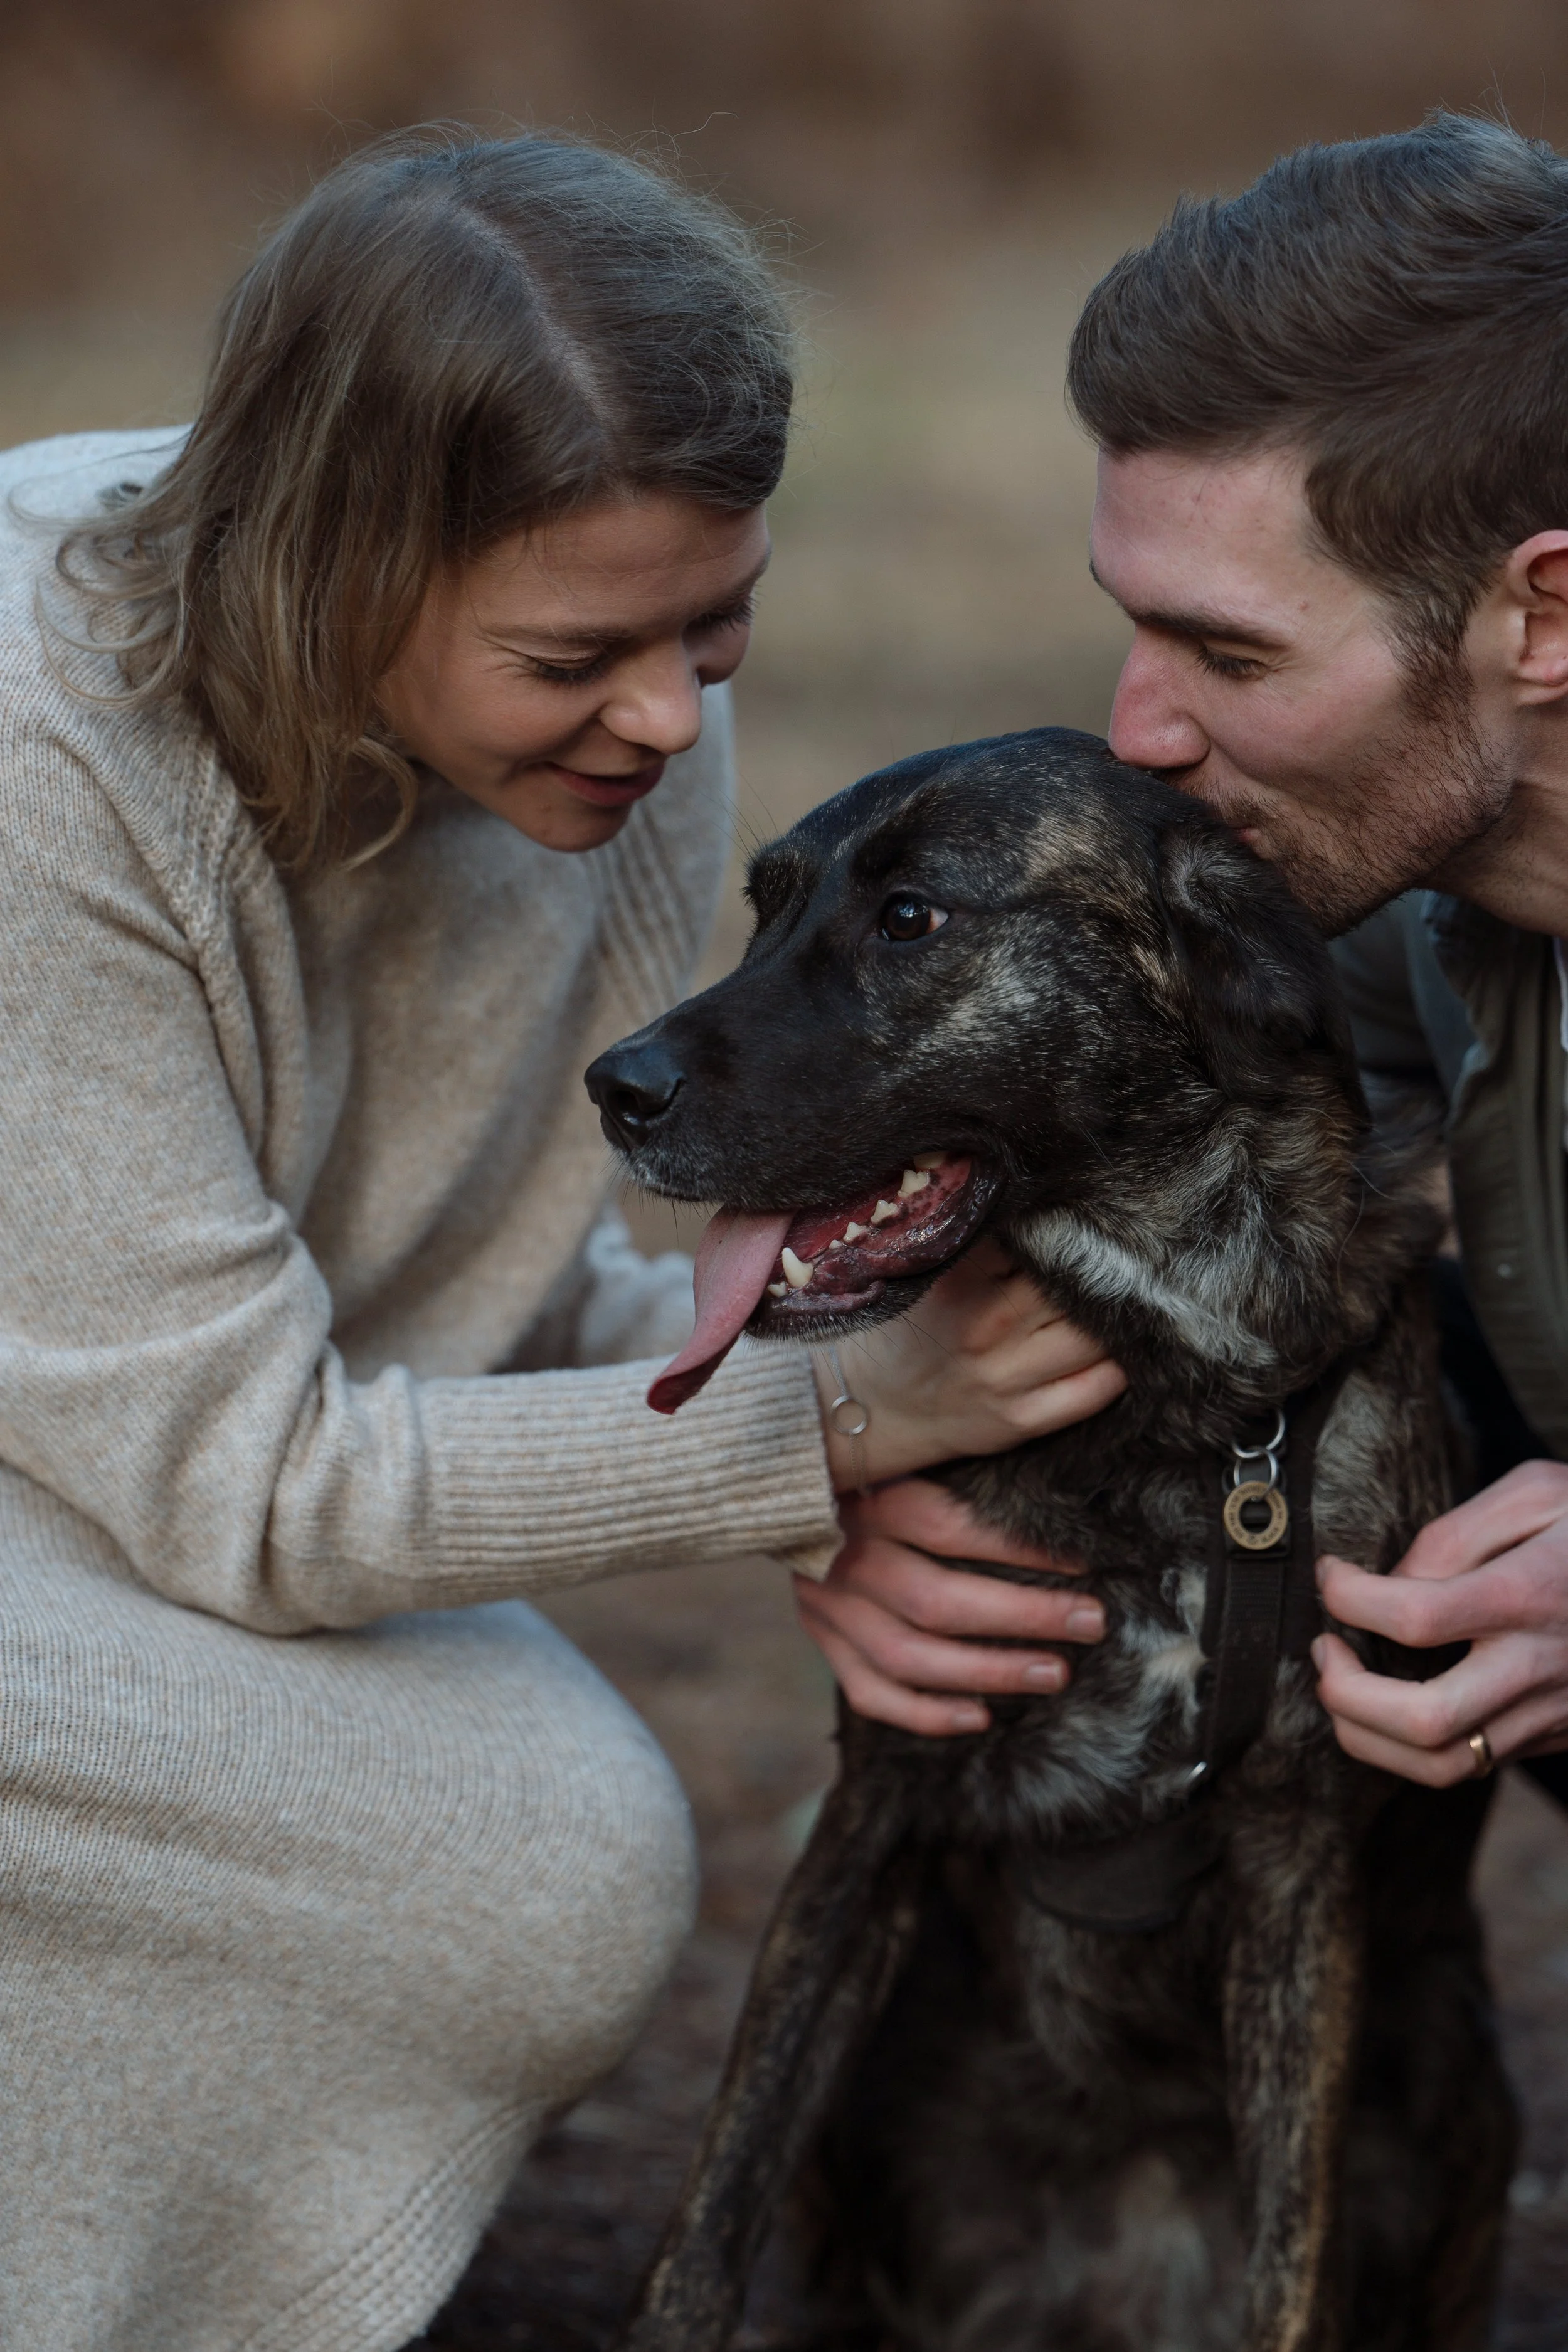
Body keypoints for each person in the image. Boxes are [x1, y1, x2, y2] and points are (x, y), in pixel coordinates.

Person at [0, 130, 1123, 2349]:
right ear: (327, 574)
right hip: (140, 1467)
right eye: (578, 651)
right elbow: (251, 1475)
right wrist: (807, 1430)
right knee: (523, 1850)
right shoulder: (47, 765)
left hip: (127, 1446)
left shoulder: (621, 720)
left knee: (533, 1856)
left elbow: (490, 1303)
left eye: (723, 621)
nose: (671, 715)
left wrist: (842, 1406)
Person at [812, 111, 1568, 1806]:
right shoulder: (1383, 915)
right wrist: (872, 1476)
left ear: (1544, 616)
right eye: (1134, 621)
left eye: (1227, 650)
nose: (1133, 728)